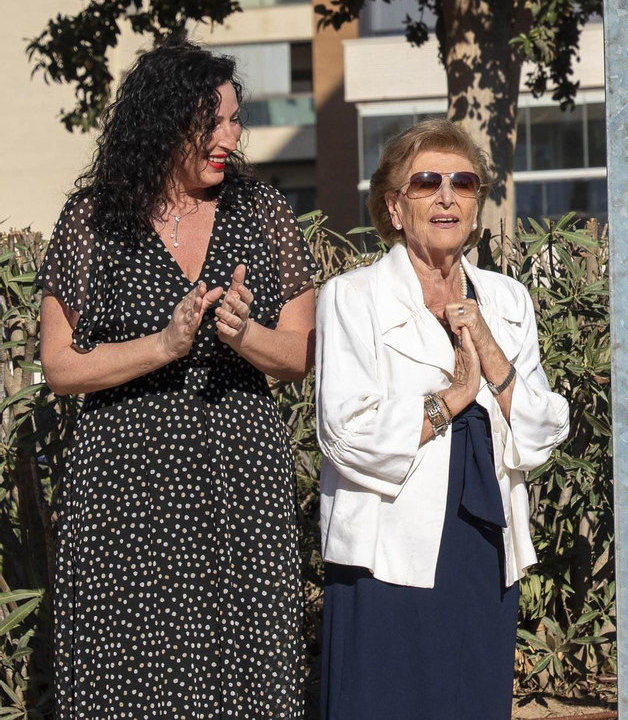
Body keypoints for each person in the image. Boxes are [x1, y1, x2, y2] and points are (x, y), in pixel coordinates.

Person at [37, 39, 317, 719]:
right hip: (125, 480)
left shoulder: (264, 215)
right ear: (163, 124)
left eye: (235, 120)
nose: (231, 137)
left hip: (237, 474)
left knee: (243, 654)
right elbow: (60, 365)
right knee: (128, 659)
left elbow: (303, 354)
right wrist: (165, 344)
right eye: (212, 122)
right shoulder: (94, 220)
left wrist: (243, 335)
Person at [316, 119, 571, 720]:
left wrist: (487, 348)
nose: (448, 195)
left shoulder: (508, 301)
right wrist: (455, 397)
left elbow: (541, 432)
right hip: (387, 542)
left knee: (471, 697)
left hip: (484, 535)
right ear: (395, 207)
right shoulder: (352, 297)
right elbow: (345, 434)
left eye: (464, 182)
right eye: (427, 182)